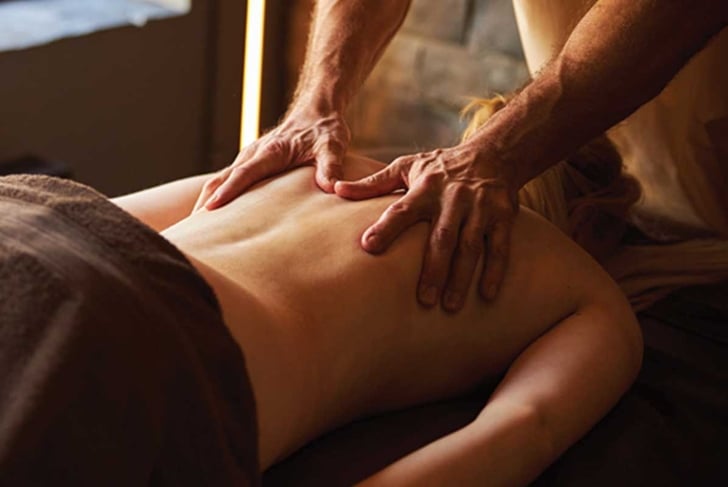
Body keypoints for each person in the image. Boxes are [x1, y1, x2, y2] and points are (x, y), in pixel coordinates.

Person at [1, 97, 642, 485]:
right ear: (595, 226)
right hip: (137, 344)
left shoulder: (323, 161)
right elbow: (518, 434)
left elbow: (108, 223)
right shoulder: (588, 296)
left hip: (34, 229)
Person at [193, 0, 727, 313]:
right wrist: (316, 104)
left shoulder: (586, 310)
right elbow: (530, 423)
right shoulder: (591, 312)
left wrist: (497, 151)